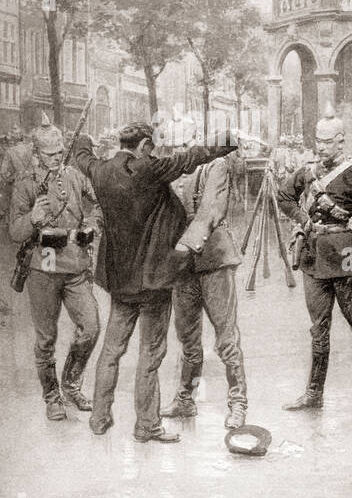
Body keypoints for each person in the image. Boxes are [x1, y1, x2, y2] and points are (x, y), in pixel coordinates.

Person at [71, 122, 238, 443]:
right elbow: (193, 158)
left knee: (111, 350)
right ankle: (146, 425)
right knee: (151, 354)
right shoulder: (150, 170)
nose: (155, 151)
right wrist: (228, 138)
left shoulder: (100, 170)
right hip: (153, 282)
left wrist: (81, 139)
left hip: (120, 281)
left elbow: (81, 156)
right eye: (152, 146)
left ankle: (99, 417)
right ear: (145, 144)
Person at [277, 113, 352, 422]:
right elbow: (284, 195)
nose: (320, 147)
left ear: (340, 141)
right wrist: (303, 220)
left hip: (344, 255)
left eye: (327, 141)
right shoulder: (307, 171)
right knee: (318, 330)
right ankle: (314, 394)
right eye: (317, 140)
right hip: (313, 258)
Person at [9, 122, 101, 420]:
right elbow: (13, 232)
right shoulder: (25, 184)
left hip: (75, 262)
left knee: (90, 327)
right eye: (50, 154)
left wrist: (92, 224)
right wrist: (33, 219)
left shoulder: (75, 176)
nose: (57, 157)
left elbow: (100, 204)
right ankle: (52, 396)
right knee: (46, 338)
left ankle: (71, 384)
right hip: (45, 261)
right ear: (36, 154)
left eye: (61, 151)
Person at [160, 145, 248, 430]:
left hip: (213, 260)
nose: (179, 148)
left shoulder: (215, 166)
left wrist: (178, 248)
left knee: (225, 336)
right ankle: (186, 398)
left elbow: (210, 212)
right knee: (187, 336)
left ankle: (238, 403)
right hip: (182, 267)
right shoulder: (169, 168)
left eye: (185, 141)